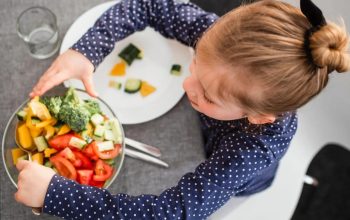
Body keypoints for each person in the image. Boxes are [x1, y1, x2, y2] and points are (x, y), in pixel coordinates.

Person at [15, 0, 349, 219]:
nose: (187, 87)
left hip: (242, 175)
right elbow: (149, 6)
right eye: (194, 68)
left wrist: (57, 194)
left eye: (207, 94)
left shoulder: (252, 151)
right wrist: (86, 51)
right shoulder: (220, 42)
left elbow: (171, 212)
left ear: (260, 117)